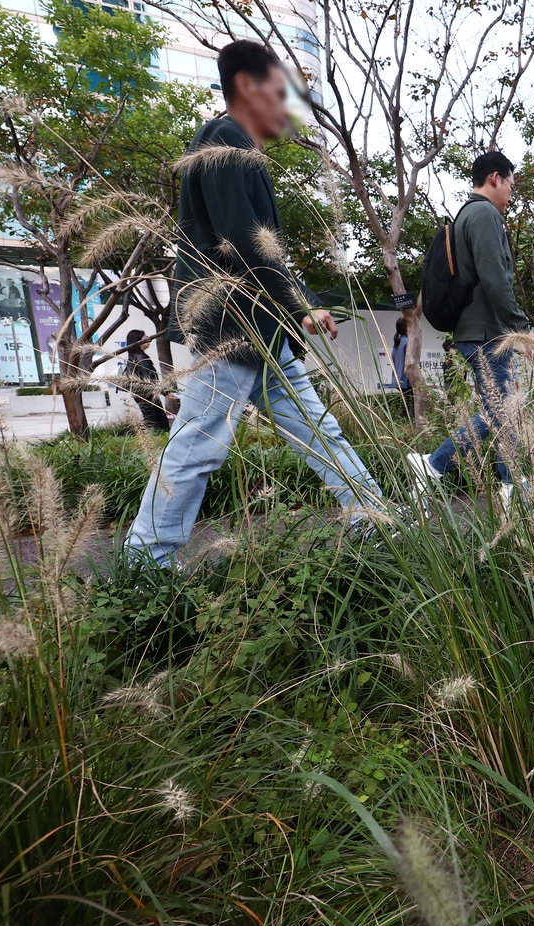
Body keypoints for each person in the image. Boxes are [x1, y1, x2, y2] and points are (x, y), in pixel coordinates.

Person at [124, 40, 382, 566]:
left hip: (259, 331)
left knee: (318, 430)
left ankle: (372, 518)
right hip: (229, 329)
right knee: (198, 447)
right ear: (246, 86)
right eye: (278, 91)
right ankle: (144, 563)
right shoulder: (224, 142)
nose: (285, 107)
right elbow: (245, 240)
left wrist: (293, 305)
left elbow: (254, 243)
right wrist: (303, 302)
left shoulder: (235, 146)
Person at [408, 151, 527, 508]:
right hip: (486, 332)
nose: (510, 192)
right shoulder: (484, 214)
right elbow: (495, 279)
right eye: (510, 183)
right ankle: (434, 463)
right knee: (502, 410)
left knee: (502, 410)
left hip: (474, 331)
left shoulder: (467, 215)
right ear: (494, 178)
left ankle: (511, 486)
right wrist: (522, 325)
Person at [123, 329, 170, 432]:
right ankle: (120, 436)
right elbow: (150, 379)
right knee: (151, 422)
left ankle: (162, 436)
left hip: (146, 393)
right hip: (146, 394)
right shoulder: (141, 358)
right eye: (145, 338)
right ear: (138, 341)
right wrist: (165, 392)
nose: (149, 340)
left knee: (161, 422)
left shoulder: (134, 357)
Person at [389, 316, 413, 417]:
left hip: (398, 377)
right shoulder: (408, 341)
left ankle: (404, 419)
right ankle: (407, 420)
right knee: (410, 403)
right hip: (406, 378)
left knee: (406, 402)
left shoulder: (397, 342)